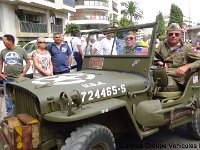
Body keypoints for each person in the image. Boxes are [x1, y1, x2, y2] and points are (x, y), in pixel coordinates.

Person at [155, 23, 200, 91]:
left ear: (181, 35)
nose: (173, 36)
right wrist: (159, 62)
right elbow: (151, 56)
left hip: (176, 79)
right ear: (167, 35)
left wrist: (186, 67)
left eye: (176, 34)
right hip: (160, 74)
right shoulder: (161, 45)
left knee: (157, 86)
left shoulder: (186, 47)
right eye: (170, 34)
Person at [0, 34, 30, 116]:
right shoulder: (3, 51)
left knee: (20, 97)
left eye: (4, 41)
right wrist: (0, 74)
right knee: (7, 97)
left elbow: (28, 63)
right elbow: (0, 63)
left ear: (9, 41)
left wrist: (23, 74)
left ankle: (20, 113)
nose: (3, 43)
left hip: (18, 79)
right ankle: (10, 115)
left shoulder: (21, 50)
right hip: (6, 79)